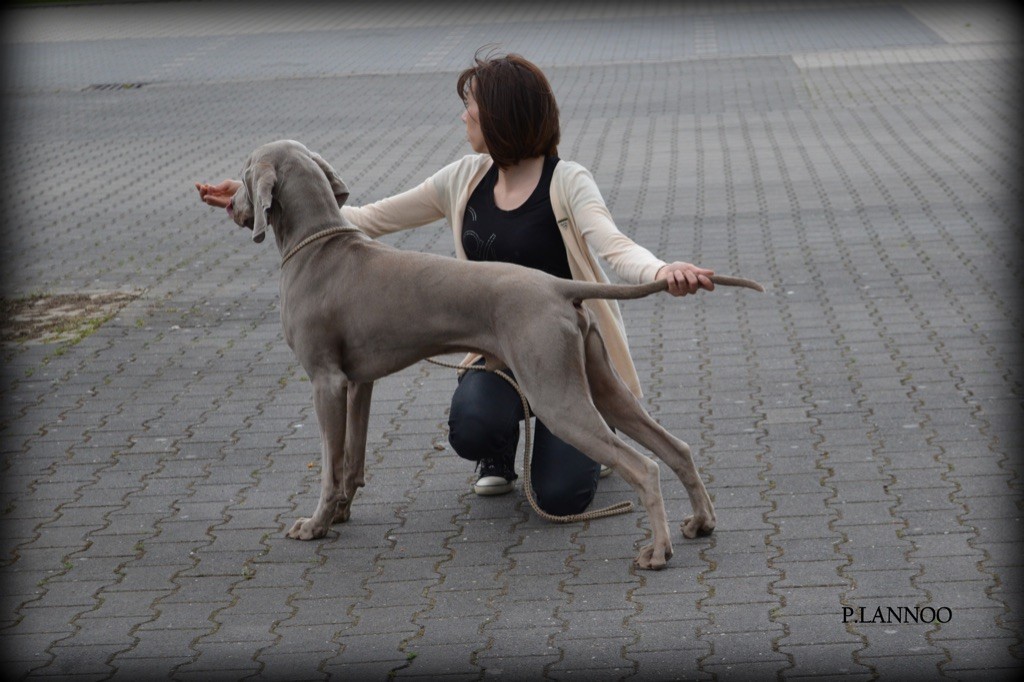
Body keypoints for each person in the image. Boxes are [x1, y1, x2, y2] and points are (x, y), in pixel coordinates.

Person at [196, 51, 714, 517]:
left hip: (557, 342)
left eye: (472, 106)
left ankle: (588, 439)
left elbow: (614, 245)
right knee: (472, 422)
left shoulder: (566, 180)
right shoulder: (464, 177)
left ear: (502, 117)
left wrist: (661, 272)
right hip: (495, 355)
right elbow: (363, 218)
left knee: (561, 494)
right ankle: (500, 448)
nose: (464, 115)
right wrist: (257, 200)